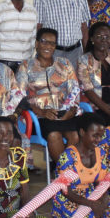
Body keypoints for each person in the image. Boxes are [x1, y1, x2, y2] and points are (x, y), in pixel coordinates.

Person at [43, 113, 110, 218]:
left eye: (101, 135)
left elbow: (103, 181)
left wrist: (104, 199)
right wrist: (92, 204)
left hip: (90, 194)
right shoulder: (68, 157)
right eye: (94, 135)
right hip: (68, 199)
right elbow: (66, 191)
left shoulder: (100, 152)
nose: (98, 140)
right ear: (82, 132)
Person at [15, 27, 80, 162]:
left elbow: (74, 90)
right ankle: (63, 173)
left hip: (64, 114)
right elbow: (19, 96)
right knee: (54, 135)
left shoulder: (65, 64)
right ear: (37, 43)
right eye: (44, 41)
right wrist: (41, 112)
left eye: (52, 43)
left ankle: (68, 173)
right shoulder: (26, 66)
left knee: (75, 135)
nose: (48, 46)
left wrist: (72, 110)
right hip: (39, 117)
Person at [77, 22, 110, 122]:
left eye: (107, 37)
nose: (103, 40)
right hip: (96, 107)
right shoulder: (84, 60)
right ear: (92, 39)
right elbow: (88, 91)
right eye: (99, 36)